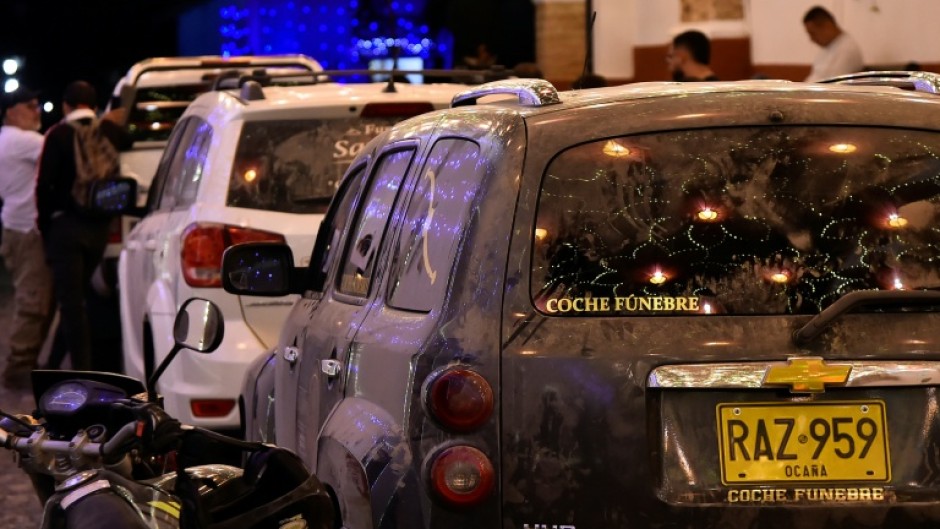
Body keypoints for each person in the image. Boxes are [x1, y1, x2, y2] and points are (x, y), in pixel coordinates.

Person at [36, 80, 129, 372]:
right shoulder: (109, 131)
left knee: (72, 305)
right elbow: (128, 142)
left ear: (65, 105)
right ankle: (51, 366)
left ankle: (81, 373)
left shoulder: (58, 134)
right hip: (99, 230)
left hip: (66, 230)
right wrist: (108, 119)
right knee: (74, 300)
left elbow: (43, 187)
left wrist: (45, 227)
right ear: (95, 104)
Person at [0, 86, 54, 388]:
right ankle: (18, 370)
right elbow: (63, 151)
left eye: (38, 105)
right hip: (25, 232)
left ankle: (27, 365)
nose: (37, 112)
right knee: (32, 301)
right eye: (30, 106)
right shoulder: (22, 141)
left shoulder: (5, 139)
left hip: (15, 229)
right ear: (11, 111)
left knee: (38, 299)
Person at [803, 6, 863, 82]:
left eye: (813, 33)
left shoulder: (847, 49)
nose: (811, 39)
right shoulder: (828, 48)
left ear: (827, 26)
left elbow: (833, 85)